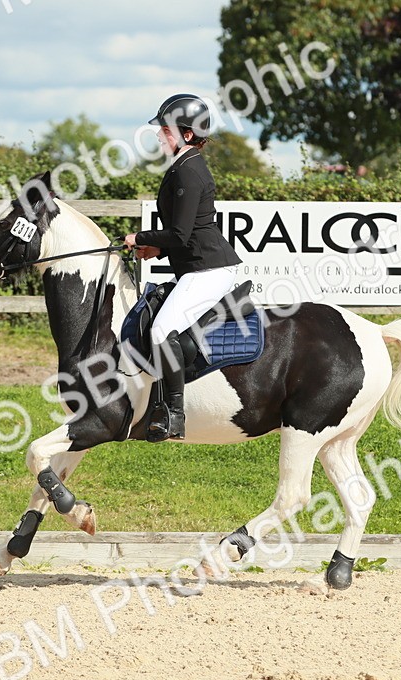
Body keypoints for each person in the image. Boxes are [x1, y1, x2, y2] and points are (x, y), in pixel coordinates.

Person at [123, 93, 242, 442]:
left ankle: (174, 414)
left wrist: (139, 236)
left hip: (208, 270)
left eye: (166, 130)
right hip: (197, 266)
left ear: (187, 135)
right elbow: (182, 235)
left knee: (161, 331)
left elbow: (180, 232)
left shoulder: (189, 171)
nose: (160, 136)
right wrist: (156, 248)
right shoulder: (184, 166)